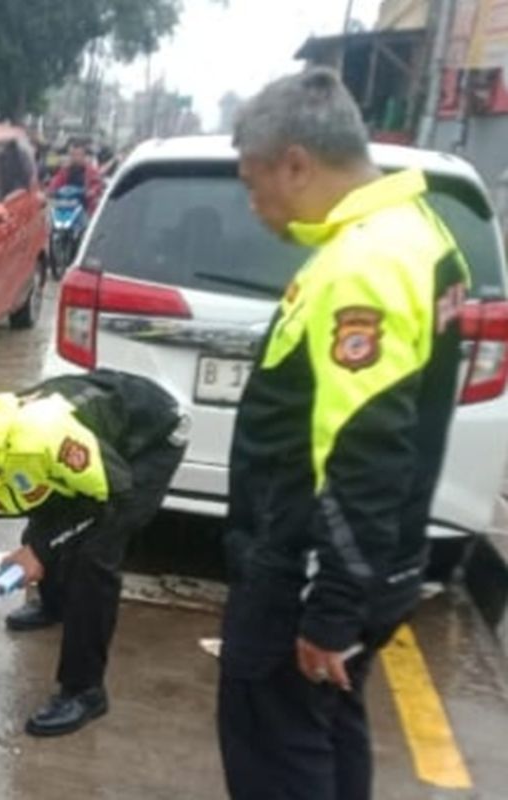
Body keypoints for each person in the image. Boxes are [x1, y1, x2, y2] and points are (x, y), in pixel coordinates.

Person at [218, 67, 470, 800]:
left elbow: (364, 447)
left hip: (306, 568)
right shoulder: (421, 234)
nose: (254, 204)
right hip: (370, 560)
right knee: (331, 727)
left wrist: (330, 607)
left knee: (274, 747)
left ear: (296, 164)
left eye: (253, 182)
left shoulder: (366, 264)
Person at [0, 370, 187, 736]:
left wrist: (40, 550)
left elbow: (114, 495)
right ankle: (54, 605)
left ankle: (85, 692)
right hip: (79, 453)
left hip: (150, 436)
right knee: (46, 508)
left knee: (93, 557)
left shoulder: (38, 441)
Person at [47, 143, 104, 210]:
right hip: (65, 204)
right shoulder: (64, 171)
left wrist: (91, 192)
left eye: (78, 155)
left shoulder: (91, 171)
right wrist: (51, 191)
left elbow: (97, 185)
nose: (75, 157)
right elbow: (55, 182)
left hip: (85, 206)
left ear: (83, 156)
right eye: (72, 155)